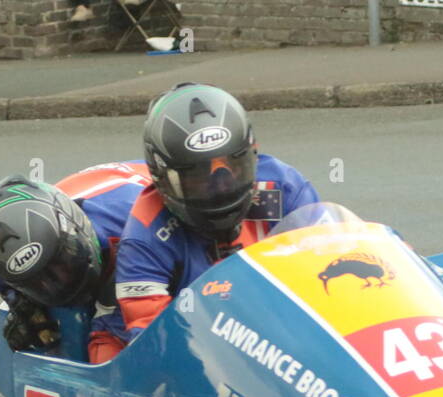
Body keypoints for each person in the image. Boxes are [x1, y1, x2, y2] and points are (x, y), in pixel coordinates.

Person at [92, 82, 321, 362]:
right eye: (198, 179)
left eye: (233, 170)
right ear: (162, 176)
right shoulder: (146, 236)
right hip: (205, 356)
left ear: (252, 154)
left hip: (286, 337)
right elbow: (158, 342)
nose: (221, 190)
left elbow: (324, 274)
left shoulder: (283, 189)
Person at [0, 161, 150, 360]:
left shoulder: (140, 223)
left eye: (62, 266)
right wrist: (22, 305)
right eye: (37, 284)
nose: (55, 285)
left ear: (77, 233)